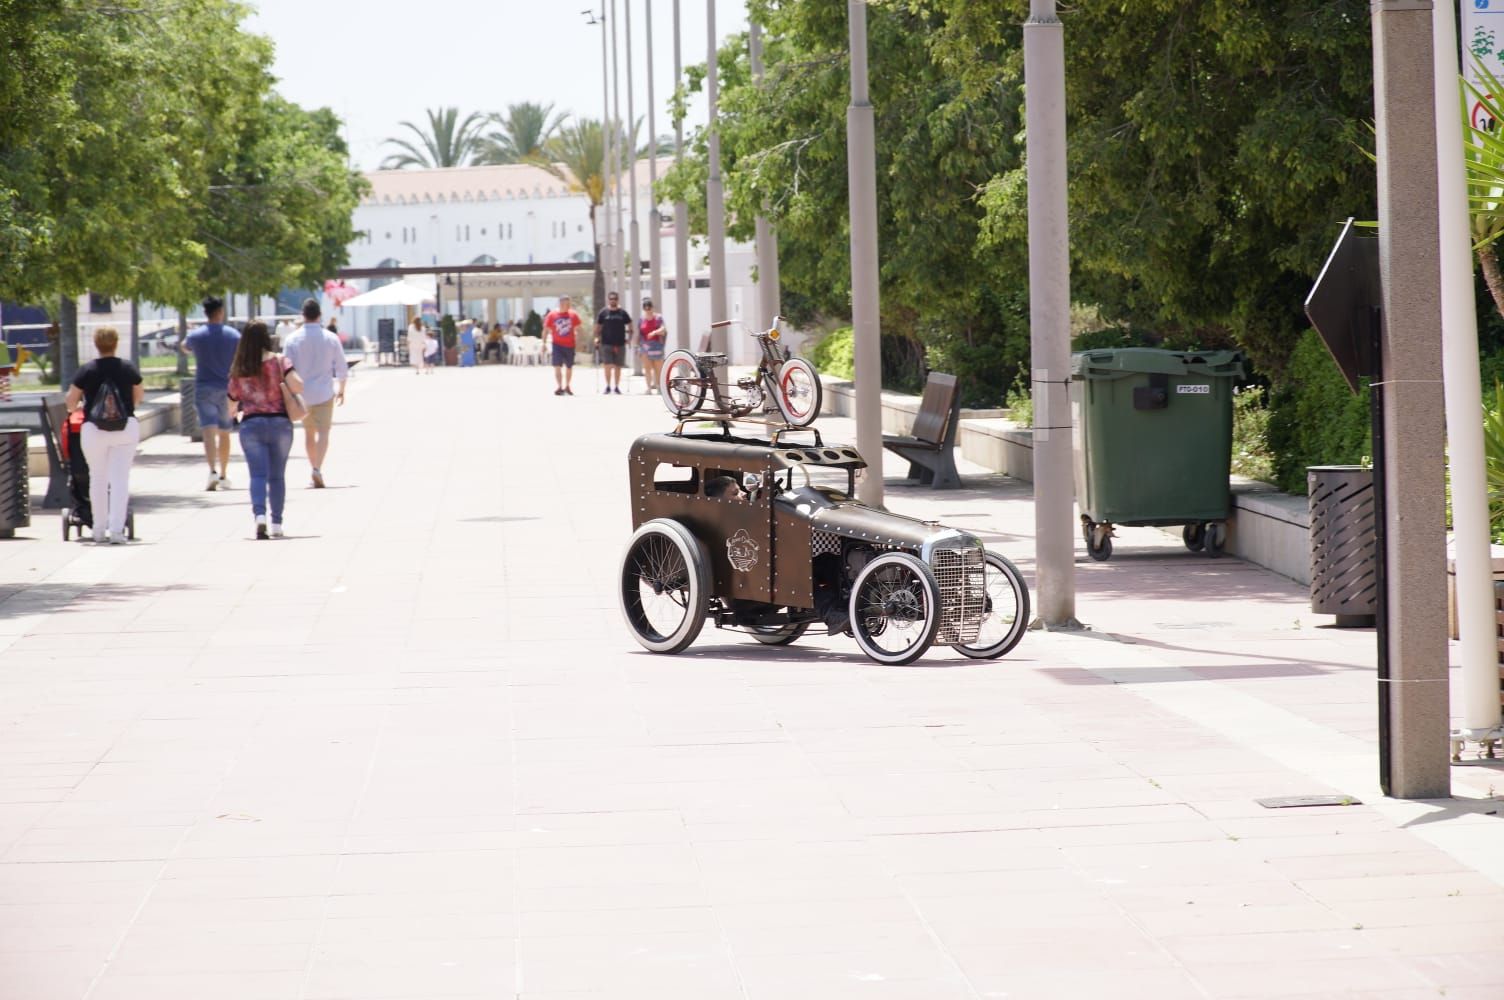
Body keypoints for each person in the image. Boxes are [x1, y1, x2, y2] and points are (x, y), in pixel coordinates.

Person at [64, 327, 143, 544]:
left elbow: (71, 401)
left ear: (96, 343)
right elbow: (138, 395)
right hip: (125, 428)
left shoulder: (87, 370)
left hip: (94, 430)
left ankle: (98, 530)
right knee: (120, 480)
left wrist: (81, 408)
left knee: (97, 478)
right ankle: (117, 531)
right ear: (116, 342)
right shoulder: (127, 368)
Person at [227, 322, 301, 539]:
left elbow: (231, 402)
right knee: (277, 477)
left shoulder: (239, 368)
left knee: (257, 475)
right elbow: (298, 386)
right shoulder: (279, 361)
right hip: (280, 424)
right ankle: (277, 523)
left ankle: (260, 517)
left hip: (251, 425)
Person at [283, 298, 348, 489]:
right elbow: (342, 367)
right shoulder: (331, 338)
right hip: (325, 392)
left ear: (303, 316)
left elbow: (286, 369)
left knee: (309, 433)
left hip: (301, 394)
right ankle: (317, 468)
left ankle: (314, 467)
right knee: (324, 432)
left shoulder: (292, 339)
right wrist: (342, 389)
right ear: (319, 315)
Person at [180, 295, 241, 491]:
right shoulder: (233, 335)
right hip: (226, 388)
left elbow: (184, 346)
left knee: (208, 431)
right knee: (225, 432)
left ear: (205, 313)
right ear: (221, 312)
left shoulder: (196, 336)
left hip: (203, 386)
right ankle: (224, 474)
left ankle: (212, 471)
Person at [593, 292, 632, 394]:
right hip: (606, 343)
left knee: (618, 366)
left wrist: (630, 338)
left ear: (617, 300)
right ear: (608, 300)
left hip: (620, 343)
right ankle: (608, 386)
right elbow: (597, 327)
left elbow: (630, 326)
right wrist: (596, 338)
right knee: (608, 365)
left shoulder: (622, 313)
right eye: (611, 299)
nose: (612, 300)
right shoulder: (603, 312)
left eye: (614, 298)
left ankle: (617, 387)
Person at [543, 295, 583, 396]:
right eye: (567, 303)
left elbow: (579, 329)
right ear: (561, 304)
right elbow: (546, 330)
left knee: (569, 367)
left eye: (569, 303)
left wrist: (579, 342)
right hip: (557, 345)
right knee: (557, 366)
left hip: (570, 345)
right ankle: (559, 386)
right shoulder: (552, 315)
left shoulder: (573, 315)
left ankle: (567, 386)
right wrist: (543, 343)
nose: (569, 306)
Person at [639, 298, 667, 395]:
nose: (648, 310)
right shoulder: (641, 319)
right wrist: (636, 347)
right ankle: (648, 388)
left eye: (649, 307)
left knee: (657, 368)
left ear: (652, 307)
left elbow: (663, 329)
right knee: (647, 368)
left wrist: (654, 332)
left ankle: (659, 387)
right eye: (645, 308)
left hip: (657, 346)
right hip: (645, 347)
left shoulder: (658, 318)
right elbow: (639, 333)